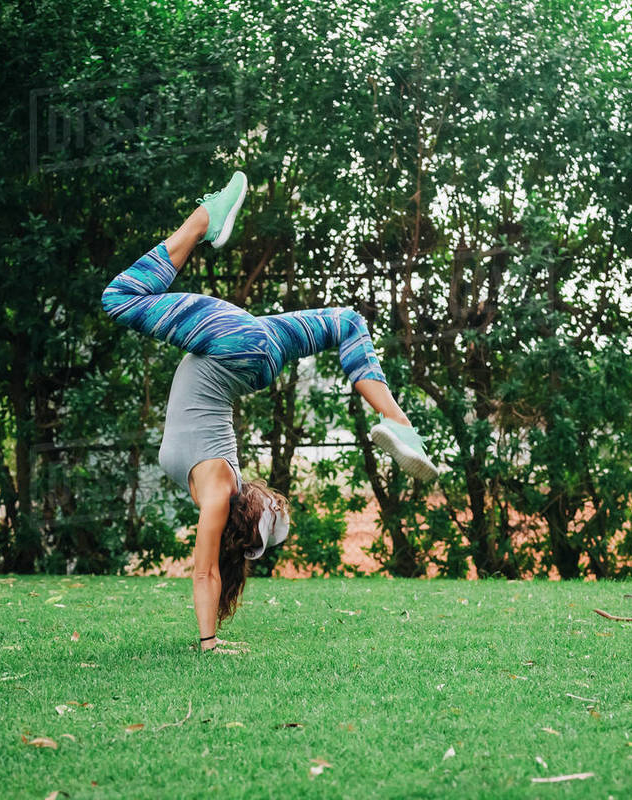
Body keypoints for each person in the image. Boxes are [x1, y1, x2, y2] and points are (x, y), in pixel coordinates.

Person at [100, 169, 438, 654]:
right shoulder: (217, 486)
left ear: (248, 511)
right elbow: (215, 564)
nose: (268, 495)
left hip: (241, 349)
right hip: (244, 351)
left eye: (267, 505)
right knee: (347, 321)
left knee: (121, 297)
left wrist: (209, 643)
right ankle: (398, 423)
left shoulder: (219, 491)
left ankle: (205, 217)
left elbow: (205, 569)